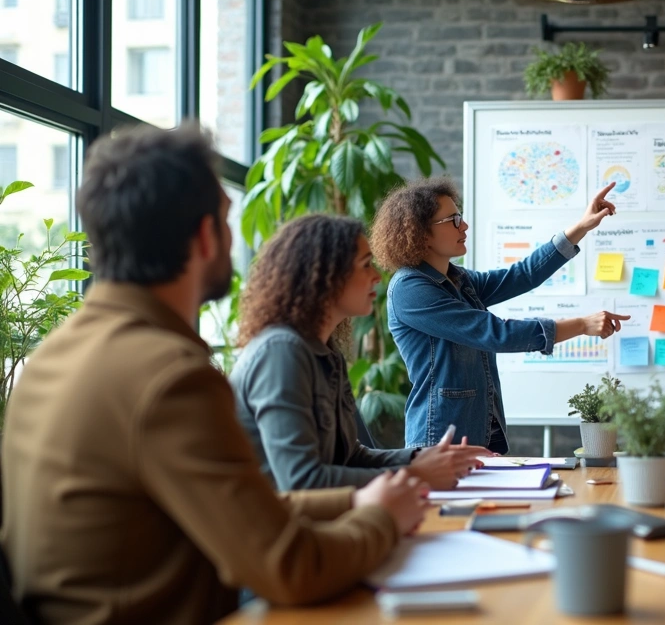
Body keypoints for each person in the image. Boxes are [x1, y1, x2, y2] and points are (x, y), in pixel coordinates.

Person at [0, 124, 429, 625]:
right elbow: (289, 568)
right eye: (228, 221)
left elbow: (252, 511)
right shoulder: (168, 377)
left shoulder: (55, 354)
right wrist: (380, 517)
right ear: (206, 235)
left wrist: (366, 497)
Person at [230, 214, 492, 492]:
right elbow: (301, 482)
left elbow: (352, 456)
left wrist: (423, 456)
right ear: (326, 275)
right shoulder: (281, 353)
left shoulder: (325, 351)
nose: (377, 277)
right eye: (366, 265)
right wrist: (417, 473)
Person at [370, 178, 627, 453]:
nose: (464, 226)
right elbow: (496, 334)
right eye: (453, 220)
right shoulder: (410, 289)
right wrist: (582, 325)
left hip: (480, 431)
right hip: (440, 440)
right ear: (421, 233)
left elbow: (523, 275)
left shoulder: (458, 278)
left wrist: (581, 227)